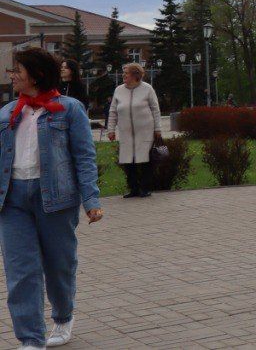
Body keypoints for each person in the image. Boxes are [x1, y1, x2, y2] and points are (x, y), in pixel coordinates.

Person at [0, 48, 103, 349]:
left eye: (17, 70)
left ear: (37, 74)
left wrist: (91, 200)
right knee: (21, 271)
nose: (12, 75)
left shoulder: (69, 109)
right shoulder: (6, 113)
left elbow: (84, 157)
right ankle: (31, 339)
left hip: (56, 199)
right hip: (12, 200)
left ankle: (62, 317)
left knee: (59, 265)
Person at [106, 62, 162, 198]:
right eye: (123, 73)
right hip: (126, 132)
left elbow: (155, 109)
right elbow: (113, 111)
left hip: (145, 131)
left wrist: (158, 128)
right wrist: (111, 129)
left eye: (126, 73)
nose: (123, 76)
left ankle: (145, 188)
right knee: (128, 161)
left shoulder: (147, 89)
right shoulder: (119, 90)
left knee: (145, 161)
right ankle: (133, 189)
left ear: (135, 75)